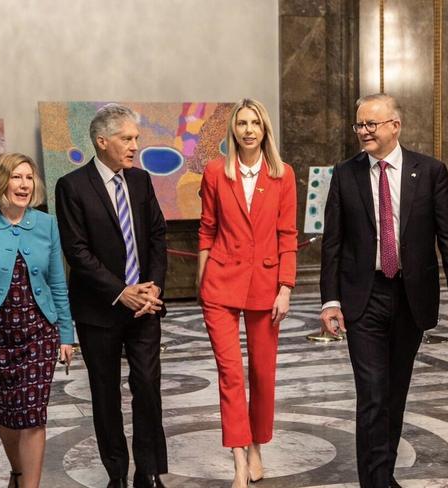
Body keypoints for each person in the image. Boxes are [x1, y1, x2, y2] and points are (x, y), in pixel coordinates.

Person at [319, 93, 448, 488]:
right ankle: (376, 482)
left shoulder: (431, 171)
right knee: (372, 394)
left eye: (371, 124)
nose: (364, 132)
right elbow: (332, 243)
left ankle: (382, 473)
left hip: (410, 298)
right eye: (359, 125)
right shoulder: (345, 174)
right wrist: (330, 300)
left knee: (395, 393)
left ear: (394, 126)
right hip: (363, 298)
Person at [55, 104, 168, 488]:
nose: (135, 145)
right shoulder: (71, 186)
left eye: (136, 138)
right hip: (99, 311)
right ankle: (117, 474)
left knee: (148, 388)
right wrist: (122, 292)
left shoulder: (141, 181)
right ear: (102, 141)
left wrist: (152, 287)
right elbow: (77, 252)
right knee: (105, 395)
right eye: (127, 138)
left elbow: (157, 236)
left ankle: (149, 471)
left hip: (145, 310)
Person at [0, 153, 73, 488]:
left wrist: (66, 333)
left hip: (39, 333)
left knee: (33, 417)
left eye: (29, 178)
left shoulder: (47, 224)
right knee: (4, 414)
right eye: (16, 177)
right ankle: (18, 470)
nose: (24, 184)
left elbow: (57, 283)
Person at [197, 98, 297, 488]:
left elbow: (287, 234)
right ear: (233, 130)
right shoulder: (215, 172)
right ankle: (238, 461)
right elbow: (206, 229)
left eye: (255, 122)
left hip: (267, 286)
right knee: (230, 374)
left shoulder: (283, 174)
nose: (249, 129)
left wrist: (286, 287)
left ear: (264, 129)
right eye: (242, 123)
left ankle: (257, 445)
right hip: (220, 285)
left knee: (262, 373)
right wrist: (203, 278)